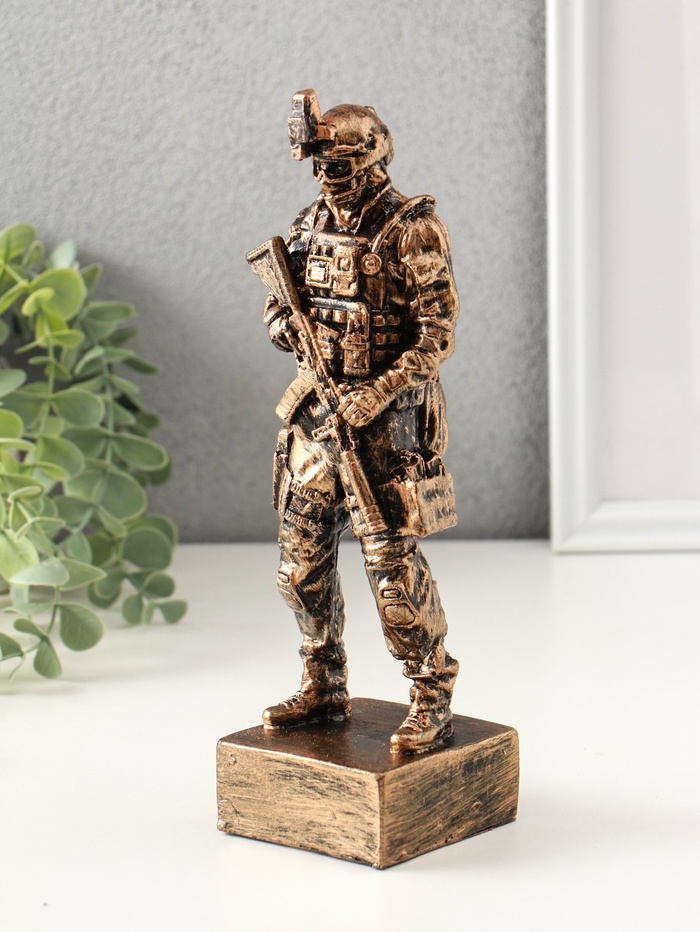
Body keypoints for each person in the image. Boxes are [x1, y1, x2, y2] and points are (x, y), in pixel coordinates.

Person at [259, 89, 460, 754]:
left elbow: (435, 336)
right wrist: (286, 326)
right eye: (319, 167)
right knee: (299, 567)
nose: (325, 179)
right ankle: (324, 681)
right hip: (319, 419)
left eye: (338, 168)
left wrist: (378, 393)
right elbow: (279, 307)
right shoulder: (309, 224)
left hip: (386, 429)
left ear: (372, 164)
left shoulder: (412, 231)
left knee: (394, 576)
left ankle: (431, 692)